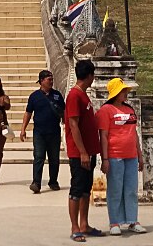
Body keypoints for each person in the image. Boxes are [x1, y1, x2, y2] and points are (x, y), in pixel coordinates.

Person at [98, 78, 146, 235]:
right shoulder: (106, 110)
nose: (125, 93)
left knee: (131, 189)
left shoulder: (129, 110)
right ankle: (115, 222)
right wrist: (105, 159)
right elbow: (103, 135)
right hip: (114, 156)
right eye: (122, 91)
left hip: (131, 155)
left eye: (125, 90)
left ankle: (133, 220)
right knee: (115, 189)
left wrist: (140, 156)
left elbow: (135, 135)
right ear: (115, 93)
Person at [65, 60, 102, 241]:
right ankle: (74, 227)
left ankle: (84, 223)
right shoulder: (74, 96)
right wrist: (82, 152)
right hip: (80, 153)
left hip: (89, 150)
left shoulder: (84, 96)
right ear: (89, 76)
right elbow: (73, 124)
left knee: (86, 189)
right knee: (77, 189)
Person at [20, 69, 65, 193]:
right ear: (41, 81)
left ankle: (53, 181)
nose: (51, 82)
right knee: (39, 157)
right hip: (39, 132)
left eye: (52, 79)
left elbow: (64, 112)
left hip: (54, 132)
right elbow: (28, 113)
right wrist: (23, 129)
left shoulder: (57, 95)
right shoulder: (34, 96)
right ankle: (36, 182)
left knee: (54, 158)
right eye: (49, 79)